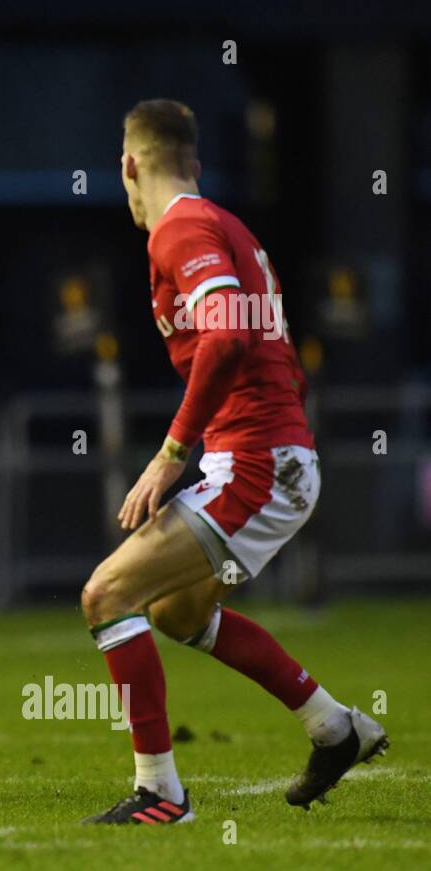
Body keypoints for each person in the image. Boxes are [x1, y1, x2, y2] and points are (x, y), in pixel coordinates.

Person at [80, 98, 388, 825]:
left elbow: (223, 341)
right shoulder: (232, 229)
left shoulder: (180, 228)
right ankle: (334, 727)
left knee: (105, 597)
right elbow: (273, 355)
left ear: (129, 165)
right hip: (265, 455)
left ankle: (162, 794)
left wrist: (169, 456)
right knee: (179, 611)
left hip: (253, 463)